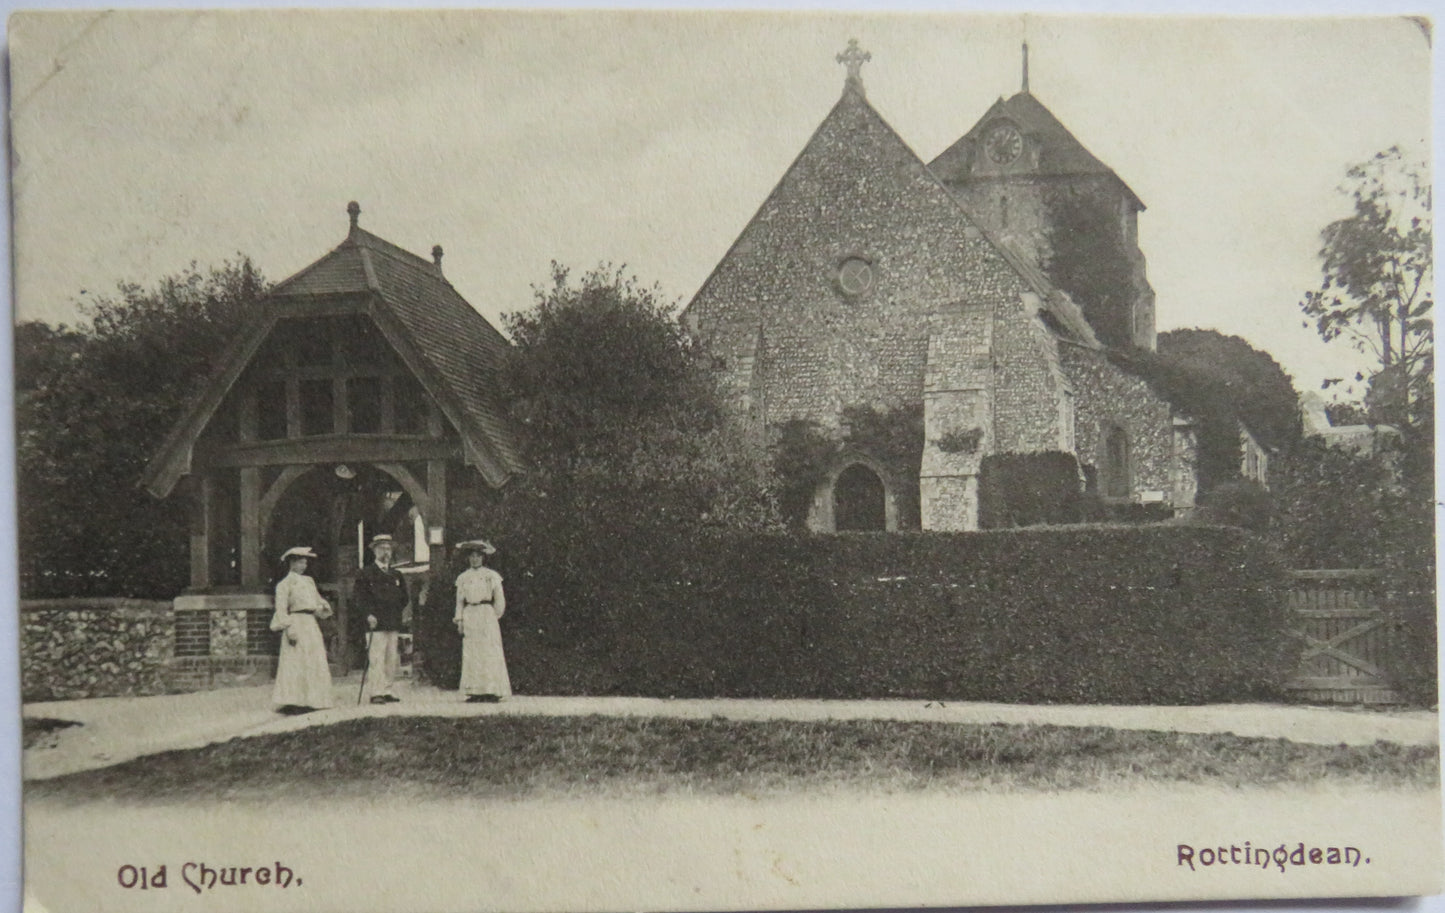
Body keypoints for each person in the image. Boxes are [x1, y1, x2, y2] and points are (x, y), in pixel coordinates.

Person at [270, 547, 335, 713]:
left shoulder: (309, 581)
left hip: (310, 623)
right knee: (295, 661)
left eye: (305, 563)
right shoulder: (284, 584)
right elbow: (281, 609)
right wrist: (289, 628)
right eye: (300, 562)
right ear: (292, 563)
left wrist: (322, 607)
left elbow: (316, 601)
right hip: (296, 622)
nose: (303, 566)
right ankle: (294, 701)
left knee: (313, 659)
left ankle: (313, 700)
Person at [453, 539, 511, 703]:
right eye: (472, 556)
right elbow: (459, 601)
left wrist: (493, 616)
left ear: (483, 557)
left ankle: (491, 690)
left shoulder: (491, 576)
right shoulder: (463, 577)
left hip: (486, 614)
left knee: (489, 651)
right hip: (470, 614)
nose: (474, 559)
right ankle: (475, 692)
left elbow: (499, 600)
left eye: (477, 556)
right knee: (472, 652)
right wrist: (460, 620)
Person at [353, 533, 408, 704]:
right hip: (375, 622)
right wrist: (368, 614)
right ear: (375, 551)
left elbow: (404, 598)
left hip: (392, 621)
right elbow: (359, 598)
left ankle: (387, 690)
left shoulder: (396, 574)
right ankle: (376, 692)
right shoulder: (365, 573)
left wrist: (395, 611)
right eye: (382, 548)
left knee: (391, 658)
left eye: (388, 549)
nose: (386, 552)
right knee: (376, 658)